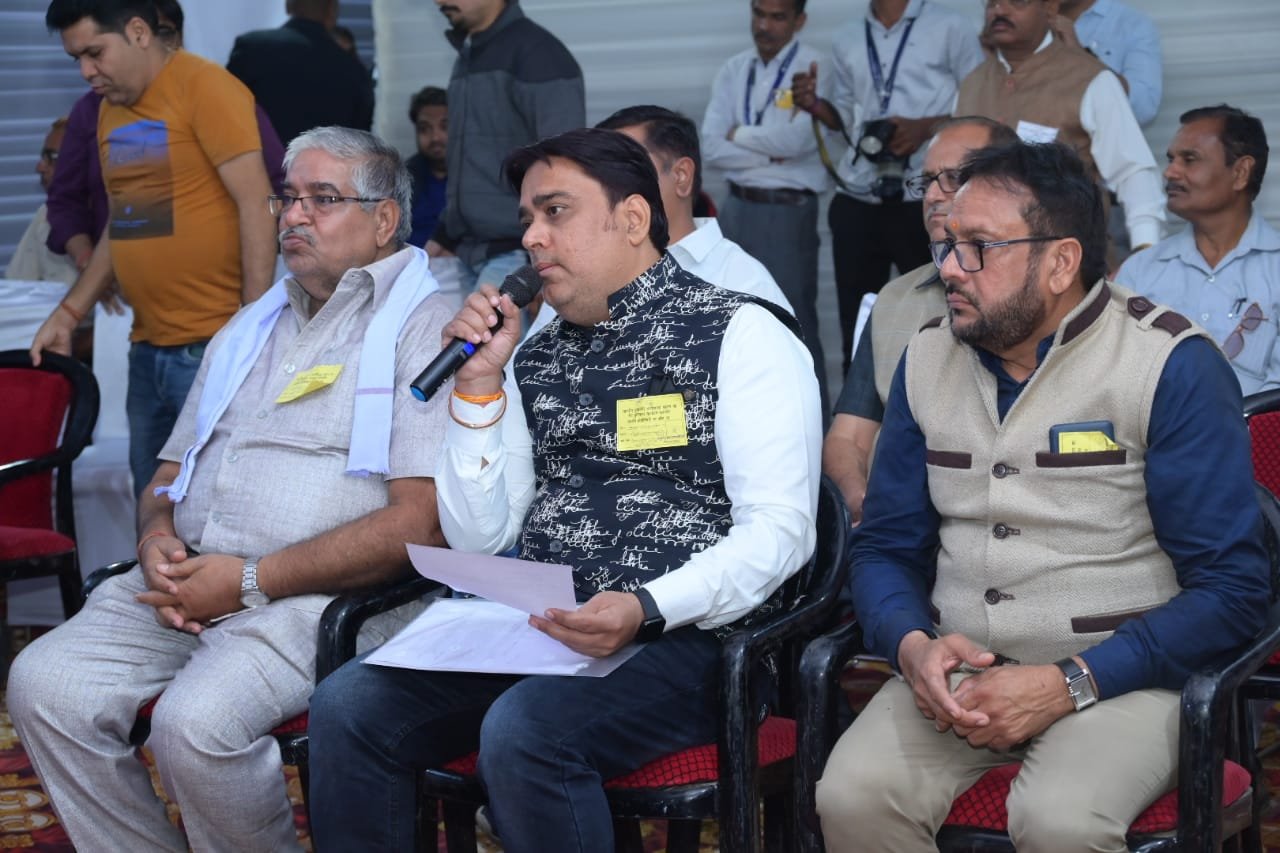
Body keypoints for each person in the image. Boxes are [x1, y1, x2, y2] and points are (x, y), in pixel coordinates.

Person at [306, 127, 822, 851]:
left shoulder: (741, 333)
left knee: (527, 733)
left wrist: (646, 607)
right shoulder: (538, 353)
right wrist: (478, 388)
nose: (531, 237)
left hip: (694, 639)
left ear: (633, 219)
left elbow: (781, 532)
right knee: (348, 705)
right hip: (547, 625)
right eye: (527, 218)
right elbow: (480, 536)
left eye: (555, 212)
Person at [812, 140, 1270, 852]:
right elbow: (885, 547)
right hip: (958, 675)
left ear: (1060, 263)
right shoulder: (926, 357)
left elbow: (1234, 588)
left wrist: (1070, 681)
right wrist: (909, 646)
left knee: (1059, 820)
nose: (949, 268)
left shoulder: (1167, 363)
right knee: (850, 797)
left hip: (1124, 678)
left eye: (978, 248)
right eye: (946, 245)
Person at [8, 125, 454, 853]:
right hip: (188, 579)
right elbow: (167, 474)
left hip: (322, 599)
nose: (293, 215)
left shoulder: (427, 331)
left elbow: (420, 525)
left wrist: (248, 579)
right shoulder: (252, 326)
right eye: (287, 197)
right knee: (44, 683)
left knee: (195, 724)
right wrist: (156, 538)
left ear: (384, 220)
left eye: (322, 199)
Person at [32, 0, 278, 498]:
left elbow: (257, 204)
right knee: (152, 513)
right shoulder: (114, 109)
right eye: (77, 59)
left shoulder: (205, 87)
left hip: (211, 347)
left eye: (95, 53)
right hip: (147, 349)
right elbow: (131, 219)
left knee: (209, 513)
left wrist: (251, 329)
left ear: (139, 32)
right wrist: (68, 313)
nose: (86, 72)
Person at [823, 116, 1017, 521]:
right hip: (894, 528)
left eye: (954, 178)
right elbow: (848, 439)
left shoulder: (1035, 292)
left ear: (1012, 184)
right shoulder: (894, 300)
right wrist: (863, 503)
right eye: (927, 181)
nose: (932, 195)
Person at [791, 0, 983, 373]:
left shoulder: (951, 27)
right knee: (856, 321)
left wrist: (925, 128)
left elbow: (978, 104)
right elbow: (847, 122)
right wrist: (817, 106)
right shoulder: (848, 37)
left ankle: (940, 395)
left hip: (926, 198)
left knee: (942, 310)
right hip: (859, 195)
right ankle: (857, 405)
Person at [44, 0, 286, 277]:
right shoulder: (102, 110)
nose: (155, 45)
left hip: (219, 289)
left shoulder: (211, 91)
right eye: (80, 58)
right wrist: (91, 266)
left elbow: (268, 195)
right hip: (128, 291)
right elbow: (112, 212)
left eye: (164, 32)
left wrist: (255, 295)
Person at [526, 104, 795, 338]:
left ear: (681, 176)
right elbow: (523, 376)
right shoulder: (578, 273)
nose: (608, 186)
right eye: (598, 175)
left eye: (627, 168)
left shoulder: (744, 285)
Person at [956, 0, 1165, 257]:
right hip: (981, 260)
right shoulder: (971, 84)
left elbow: (1132, 172)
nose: (999, 10)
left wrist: (1145, 250)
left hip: (1070, 259)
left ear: (1050, 9)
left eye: (1017, 2)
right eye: (992, 3)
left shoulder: (1091, 79)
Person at [701, 0, 830, 399]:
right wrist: (770, 154)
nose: (764, 25)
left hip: (786, 210)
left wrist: (739, 135)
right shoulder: (735, 68)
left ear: (799, 21)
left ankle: (815, 423)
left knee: (791, 320)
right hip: (736, 206)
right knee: (728, 316)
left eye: (777, 17)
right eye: (759, 14)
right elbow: (710, 146)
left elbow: (798, 142)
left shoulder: (815, 67)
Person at [425, 0, 584, 292]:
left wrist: (547, 265)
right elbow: (473, 164)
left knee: (484, 327)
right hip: (466, 253)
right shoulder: (469, 56)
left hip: (518, 256)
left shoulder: (540, 55)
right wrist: (444, 234)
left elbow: (564, 171)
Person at [1119, 105, 1277, 395]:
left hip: (1254, 425)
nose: (1170, 172)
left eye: (1189, 159)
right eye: (1171, 159)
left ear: (1240, 172)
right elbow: (1117, 378)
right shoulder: (1139, 272)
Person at [227, 0, 374, 146]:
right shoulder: (354, 71)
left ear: (288, 6)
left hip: (256, 158)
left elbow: (225, 108)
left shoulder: (252, 48)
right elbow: (359, 143)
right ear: (332, 11)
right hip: (324, 159)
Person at [1054, 0, 1162, 127]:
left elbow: (1144, 108)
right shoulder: (1035, 18)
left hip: (1095, 137)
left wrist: (1081, 56)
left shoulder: (1133, 25)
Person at [5, 118, 78, 285]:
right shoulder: (46, 214)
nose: (39, 167)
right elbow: (17, 285)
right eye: (43, 157)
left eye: (52, 157)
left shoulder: (121, 222)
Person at [406, 85, 448, 249]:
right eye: (424, 129)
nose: (435, 137)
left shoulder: (475, 178)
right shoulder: (402, 178)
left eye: (444, 126)